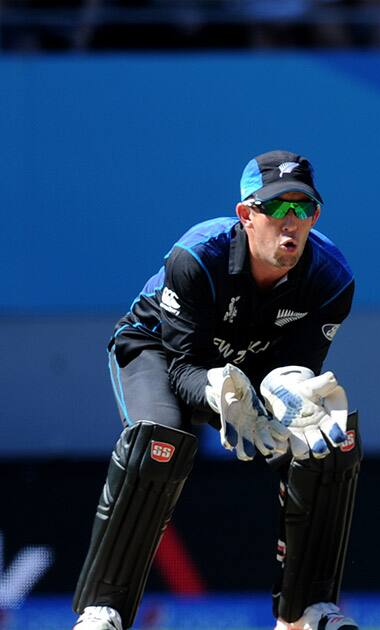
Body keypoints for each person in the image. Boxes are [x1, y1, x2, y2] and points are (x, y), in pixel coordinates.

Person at [72, 150, 362, 630]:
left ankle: (306, 612)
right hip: (160, 353)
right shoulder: (197, 258)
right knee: (160, 439)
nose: (291, 223)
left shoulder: (331, 281)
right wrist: (219, 393)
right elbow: (183, 367)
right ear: (246, 214)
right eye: (277, 208)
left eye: (303, 209)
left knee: (328, 438)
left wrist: (286, 401)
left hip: (253, 370)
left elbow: (298, 373)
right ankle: (103, 611)